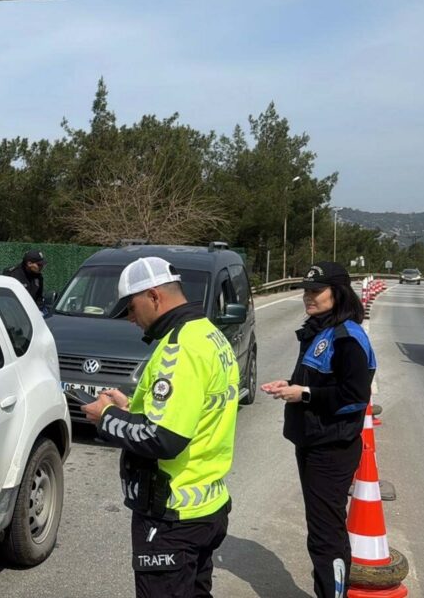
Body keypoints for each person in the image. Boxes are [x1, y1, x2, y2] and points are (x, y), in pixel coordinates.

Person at [81, 256, 239, 597]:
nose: (130, 318)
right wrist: (128, 408)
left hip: (172, 516)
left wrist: (106, 417)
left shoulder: (179, 348)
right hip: (207, 506)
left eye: (130, 308)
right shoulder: (208, 334)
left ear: (153, 296)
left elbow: (163, 438)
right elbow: (188, 411)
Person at [261, 262, 375, 598]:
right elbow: (318, 380)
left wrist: (305, 394)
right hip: (313, 442)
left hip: (332, 447)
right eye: (306, 291)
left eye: (316, 291)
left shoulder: (347, 337)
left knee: (326, 537)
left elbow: (355, 396)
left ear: (337, 293)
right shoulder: (320, 329)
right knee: (322, 531)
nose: (308, 297)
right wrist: (291, 384)